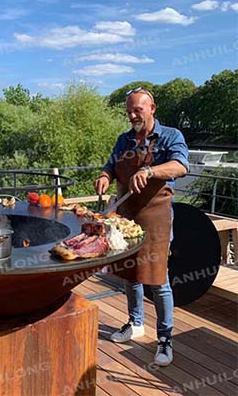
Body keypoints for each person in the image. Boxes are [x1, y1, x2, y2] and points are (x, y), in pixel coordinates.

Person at [94, 87, 189, 366]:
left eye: (138, 109)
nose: (133, 115)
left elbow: (180, 166)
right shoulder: (124, 140)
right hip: (126, 215)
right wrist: (103, 176)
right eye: (129, 111)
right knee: (130, 274)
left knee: (158, 279)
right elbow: (111, 166)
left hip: (157, 217)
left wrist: (150, 170)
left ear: (152, 108)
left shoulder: (171, 136)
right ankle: (135, 323)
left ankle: (165, 338)